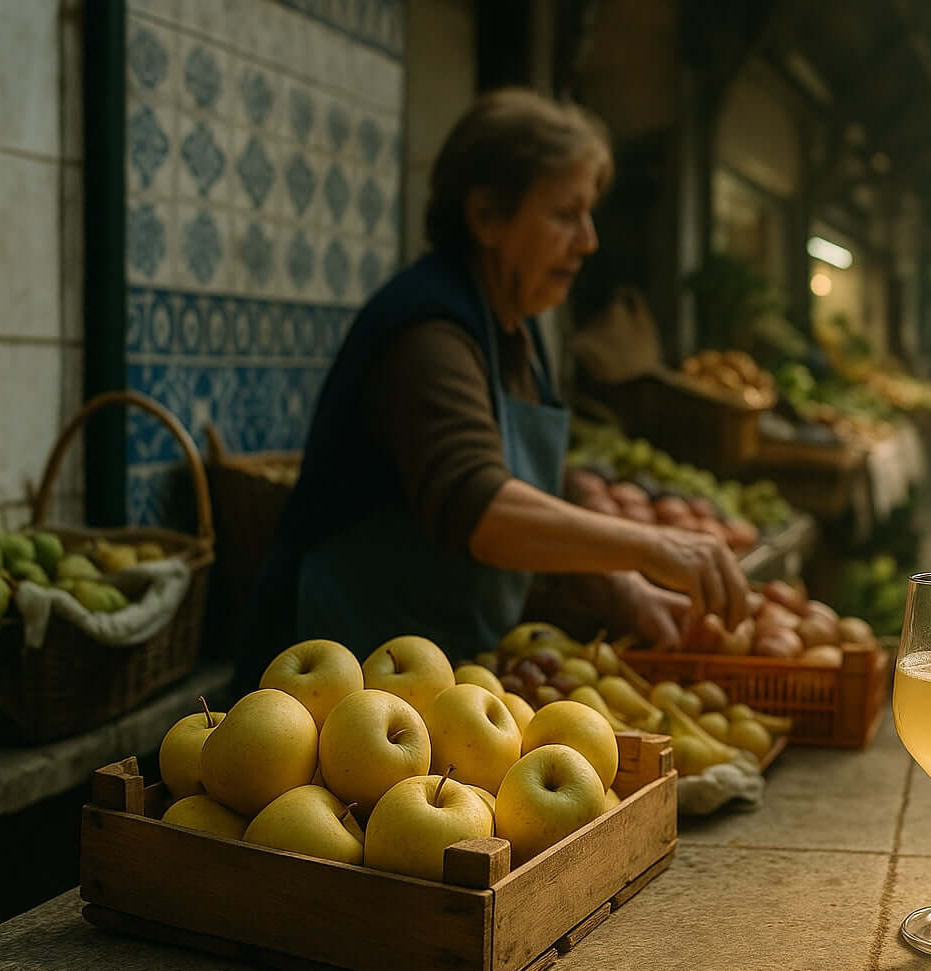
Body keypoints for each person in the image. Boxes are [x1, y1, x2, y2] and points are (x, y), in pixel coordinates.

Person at [237, 89, 748, 685]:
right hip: (332, 677)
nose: (588, 241)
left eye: (589, 215)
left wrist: (621, 587)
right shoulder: (429, 334)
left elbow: (534, 487)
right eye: (565, 215)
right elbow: (478, 505)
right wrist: (649, 545)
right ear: (486, 217)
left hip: (431, 675)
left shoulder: (513, 327)